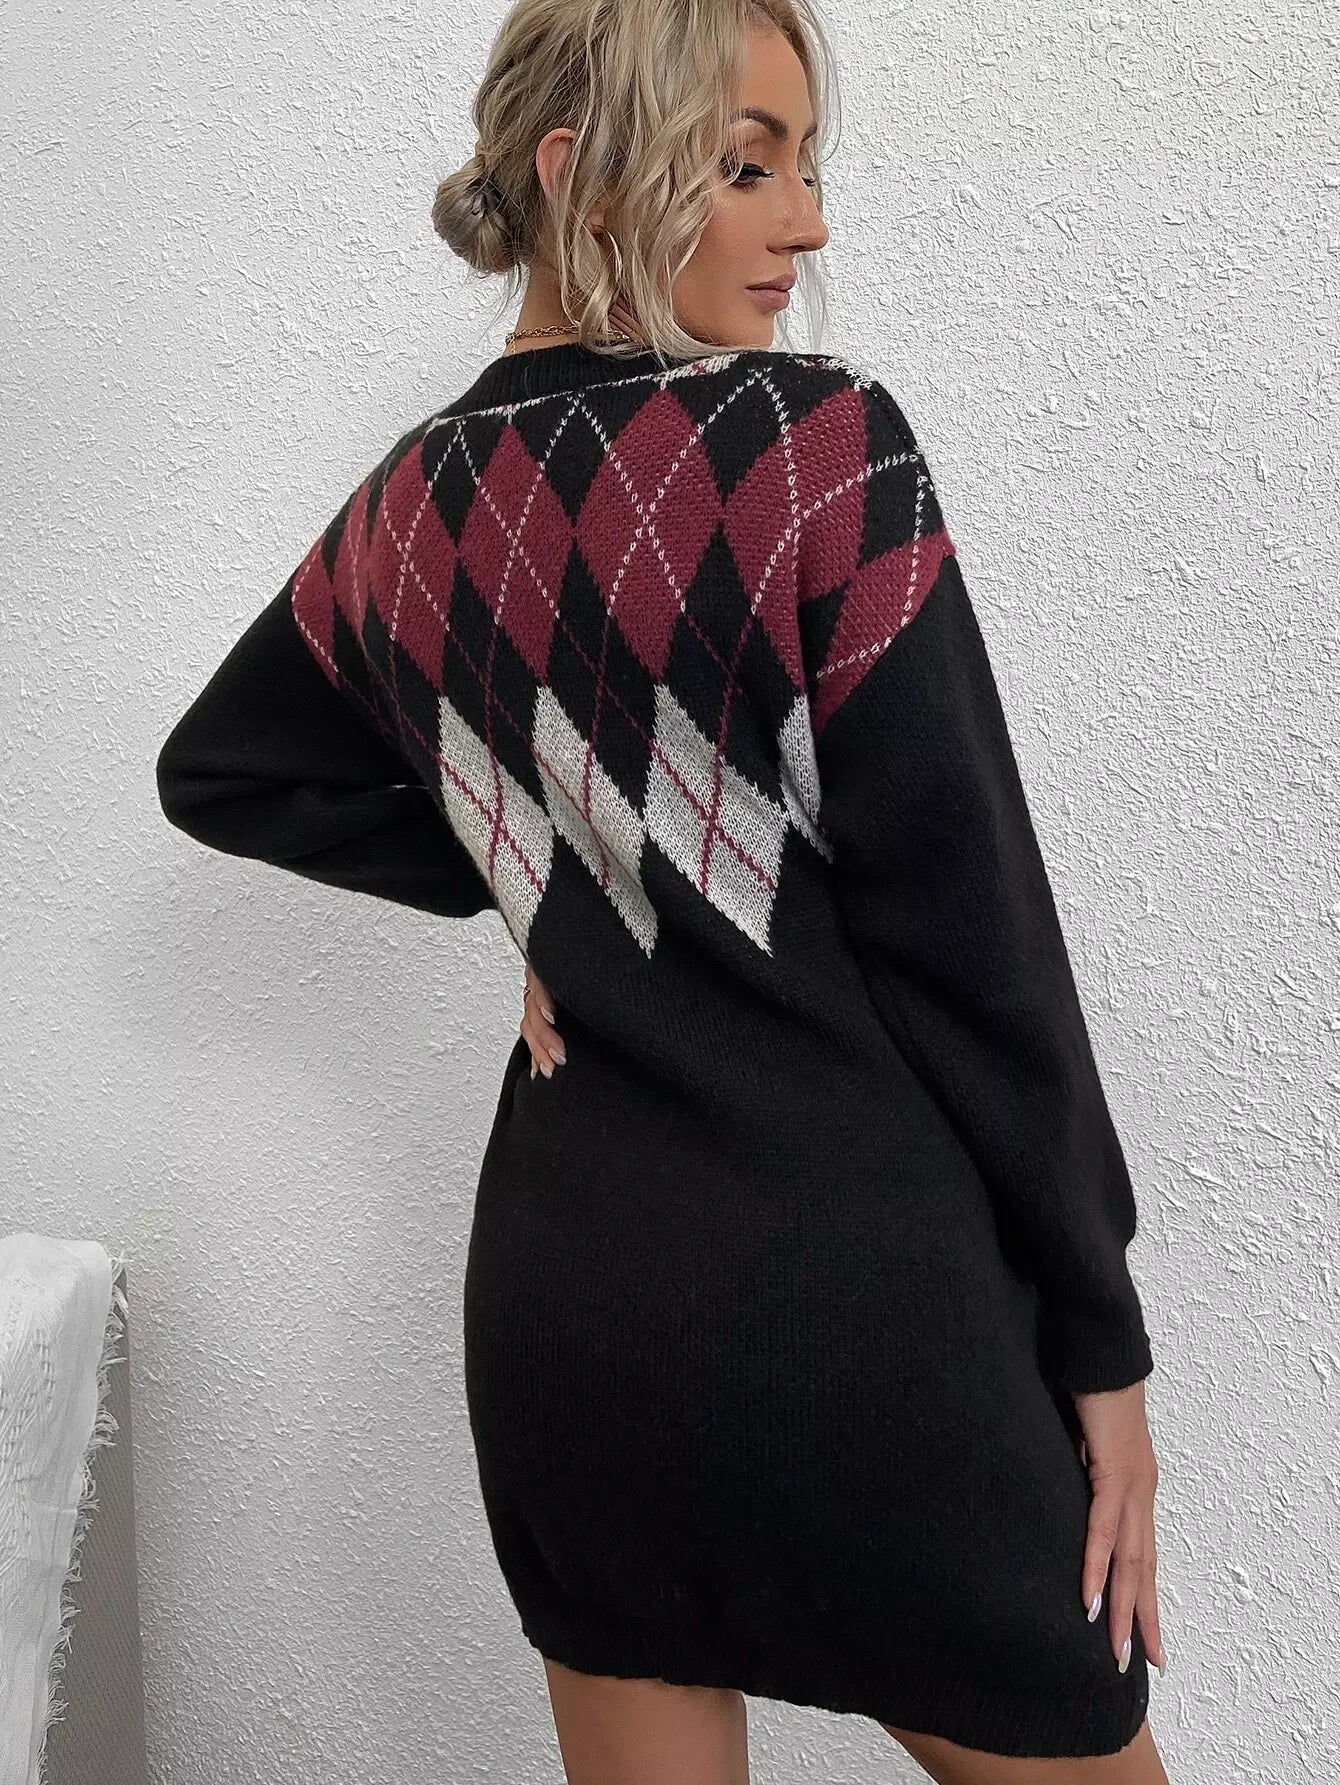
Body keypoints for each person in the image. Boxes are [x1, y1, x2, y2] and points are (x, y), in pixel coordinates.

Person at [154, 1, 1172, 1779]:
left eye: (808, 165)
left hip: (574, 1328)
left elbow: (225, 770)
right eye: (748, 165)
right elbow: (977, 943)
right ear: (583, 175)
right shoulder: (816, 448)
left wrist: (532, 870)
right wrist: (1105, 1337)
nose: (809, 222)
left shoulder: (403, 509)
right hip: (862, 1326)